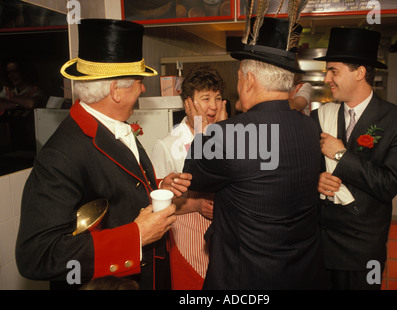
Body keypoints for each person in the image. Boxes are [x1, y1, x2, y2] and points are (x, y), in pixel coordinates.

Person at [15, 19, 191, 290]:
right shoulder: (60, 155)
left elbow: (117, 189)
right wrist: (136, 237)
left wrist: (155, 188)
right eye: (138, 82)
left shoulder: (113, 126)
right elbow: (36, 256)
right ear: (115, 91)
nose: (143, 88)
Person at [183, 17, 328, 290]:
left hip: (248, 277)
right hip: (303, 273)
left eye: (238, 78)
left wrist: (207, 127)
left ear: (248, 81)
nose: (238, 85)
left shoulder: (227, 134)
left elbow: (193, 176)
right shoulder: (309, 127)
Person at [310, 27, 397, 290]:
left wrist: (340, 155)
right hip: (319, 247)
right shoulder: (319, 116)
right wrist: (316, 180)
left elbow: (387, 185)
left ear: (360, 72)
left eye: (333, 71)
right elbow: (304, 169)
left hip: (362, 254)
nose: (327, 79)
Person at [151, 66, 227, 289]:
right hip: (186, 239)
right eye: (205, 98)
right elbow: (157, 203)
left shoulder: (229, 138)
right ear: (187, 104)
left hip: (224, 237)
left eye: (218, 98)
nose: (213, 106)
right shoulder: (167, 145)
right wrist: (195, 204)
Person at [0, 59, 47, 151]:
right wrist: (18, 104)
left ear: (24, 72)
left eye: (14, 72)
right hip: (10, 142)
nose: (11, 76)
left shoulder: (35, 90)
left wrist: (12, 99)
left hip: (31, 142)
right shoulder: (8, 91)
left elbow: (31, 104)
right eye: (8, 72)